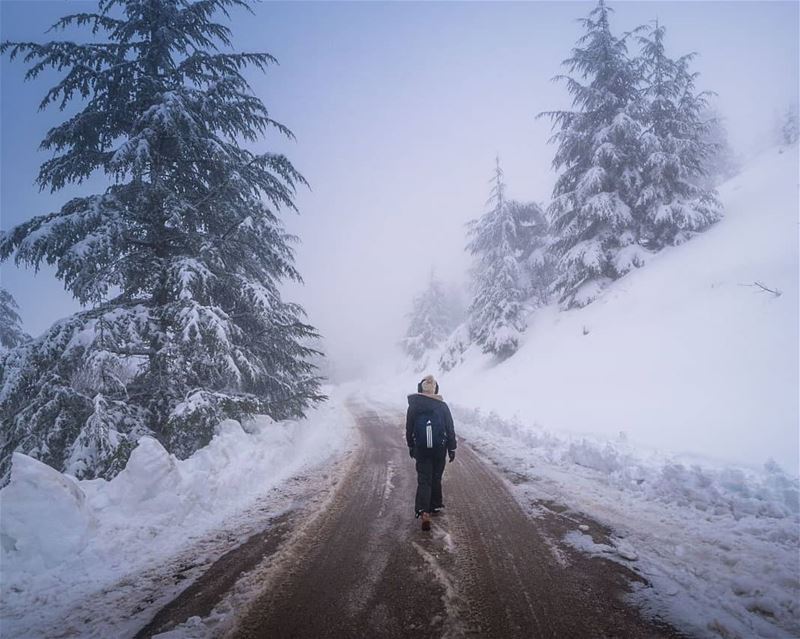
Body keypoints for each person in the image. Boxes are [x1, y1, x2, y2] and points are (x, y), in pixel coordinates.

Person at [406, 374, 457, 531]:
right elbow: (450, 428)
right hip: (439, 448)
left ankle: (424, 512)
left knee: (424, 479)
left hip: (422, 449)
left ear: (420, 388)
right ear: (435, 389)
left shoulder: (414, 406)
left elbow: (409, 428)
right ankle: (435, 505)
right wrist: (452, 447)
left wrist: (411, 446)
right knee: (436, 477)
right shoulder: (442, 406)